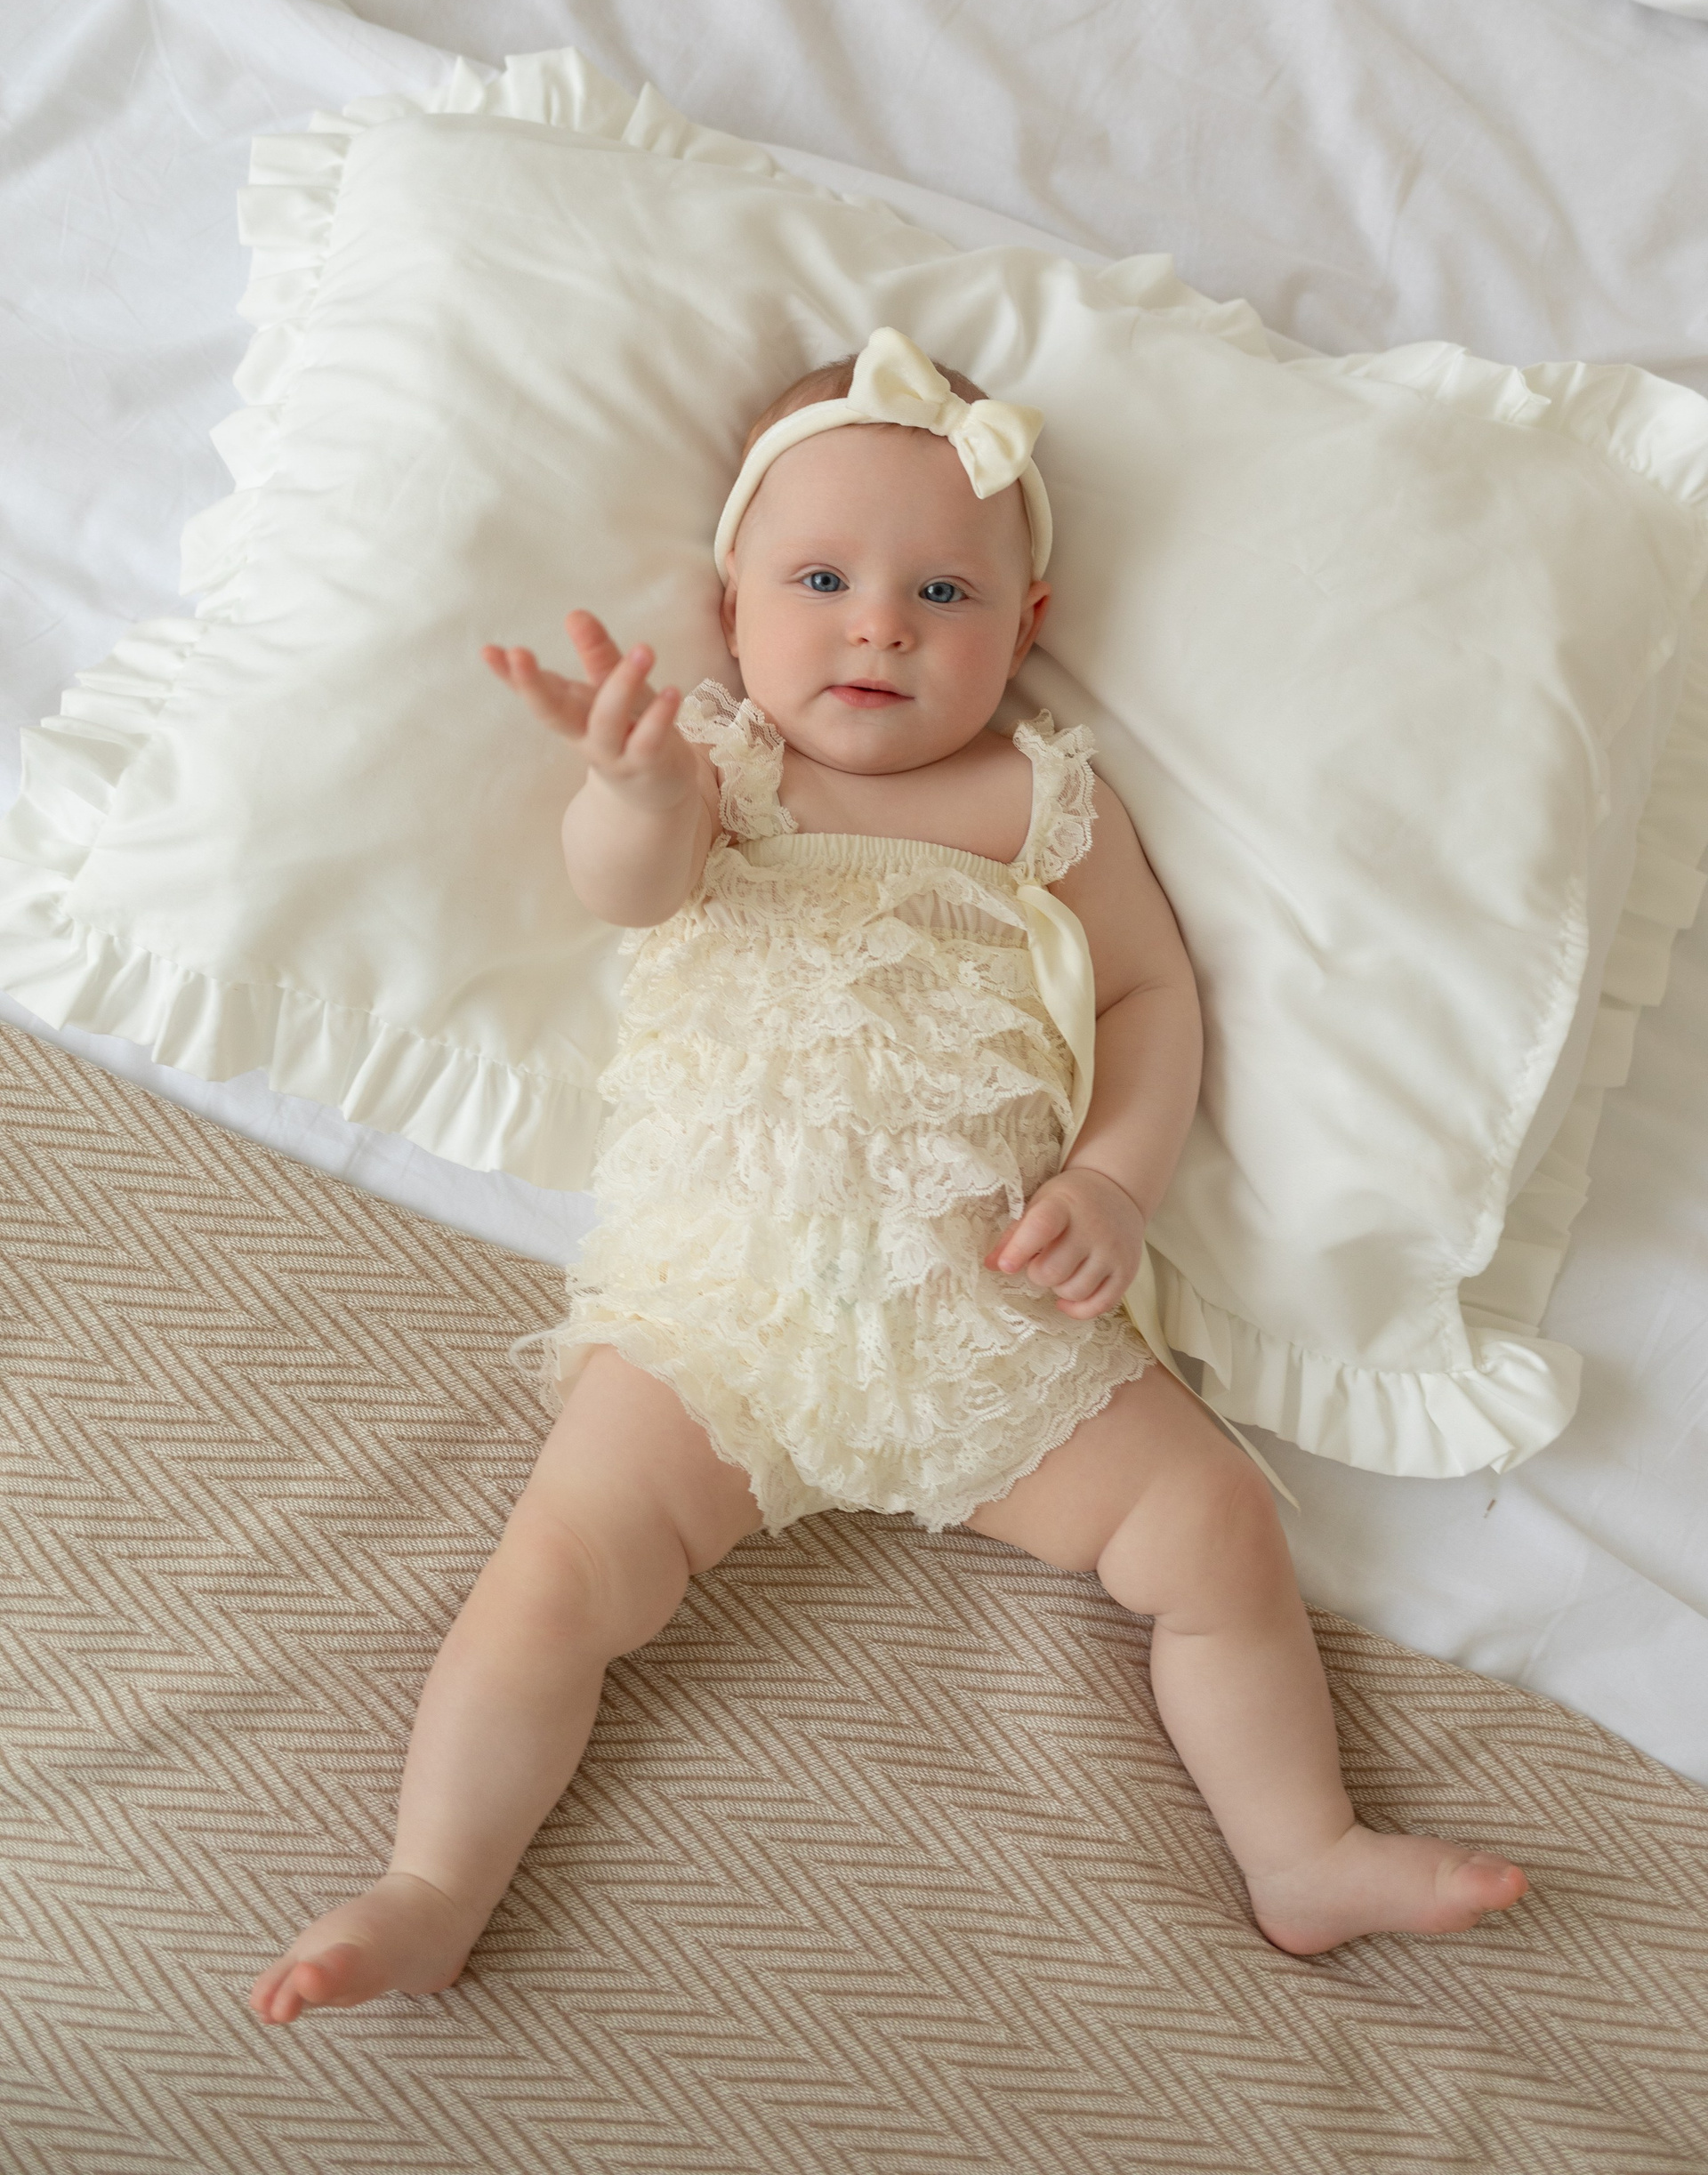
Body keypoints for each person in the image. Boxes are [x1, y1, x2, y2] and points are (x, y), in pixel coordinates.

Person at [250, 328, 1526, 2025]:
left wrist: (1117, 1180)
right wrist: (628, 784)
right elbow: (628, 888)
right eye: (823, 581)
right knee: (552, 1583)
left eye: (942, 593)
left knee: (1213, 1528)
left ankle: (1304, 1850)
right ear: (731, 604)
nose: (880, 626)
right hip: (721, 1324)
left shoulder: (1044, 802)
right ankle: (434, 1880)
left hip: (991, 1323)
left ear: (1028, 624)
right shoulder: (716, 773)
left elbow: (1150, 1000)